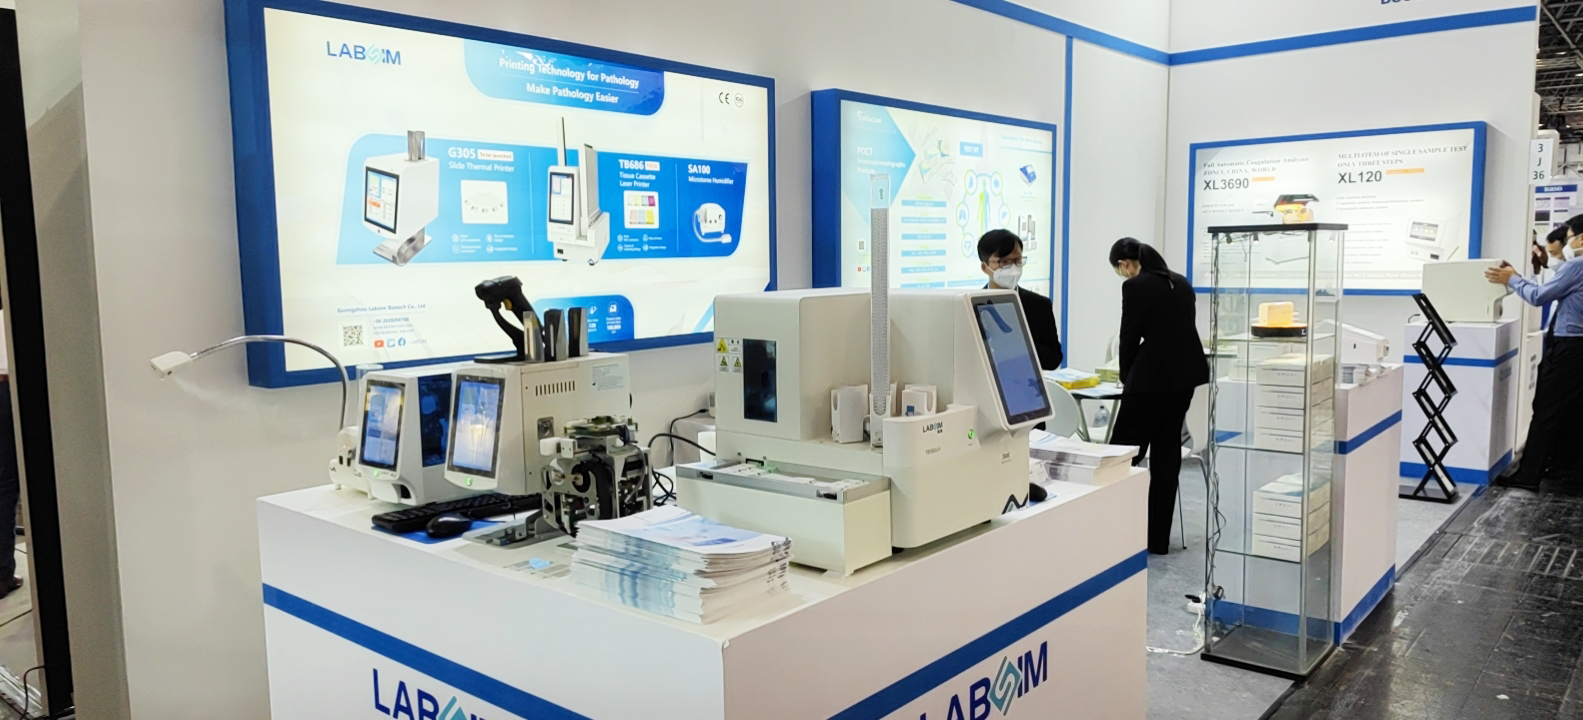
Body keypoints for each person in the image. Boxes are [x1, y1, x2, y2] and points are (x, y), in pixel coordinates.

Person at [1107, 237, 1209, 554]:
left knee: (1121, 456)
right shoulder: (1181, 282)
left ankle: (1114, 533)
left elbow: (1128, 336)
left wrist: (1126, 376)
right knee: (1166, 457)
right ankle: (1157, 541)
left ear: (1124, 265)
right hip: (1185, 379)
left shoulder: (1135, 286)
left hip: (1150, 381)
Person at [1486, 215, 1583, 490]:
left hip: (1569, 347)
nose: (1566, 244)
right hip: (1575, 346)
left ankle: (1529, 474)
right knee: (1572, 410)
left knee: (1546, 410)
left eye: (1569, 238)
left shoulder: (1576, 266)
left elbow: (1538, 296)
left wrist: (1513, 279)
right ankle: (1566, 469)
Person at [978, 229, 1063, 370]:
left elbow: (1053, 359)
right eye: (1004, 262)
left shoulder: (1039, 305)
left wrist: (1021, 345)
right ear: (984, 267)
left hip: (1027, 380)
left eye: (1017, 260)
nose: (1012, 267)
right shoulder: (973, 304)